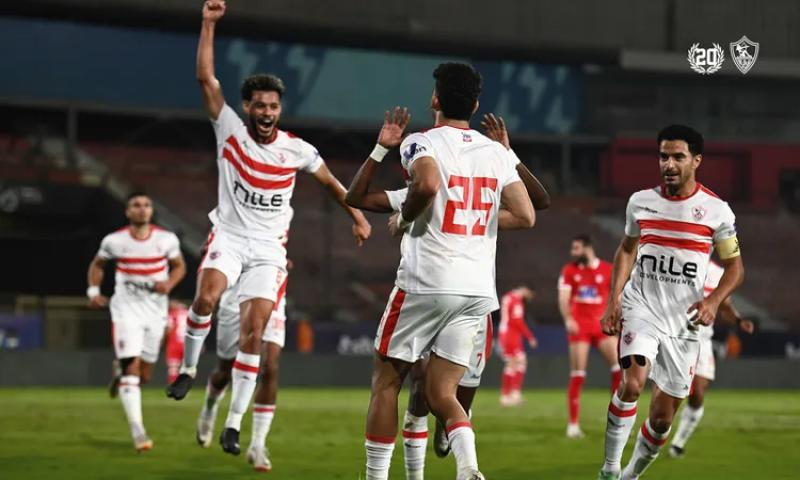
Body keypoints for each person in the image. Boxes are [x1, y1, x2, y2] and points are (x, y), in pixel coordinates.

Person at [166, 0, 371, 456]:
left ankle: (234, 425)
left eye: (273, 106)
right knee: (205, 298)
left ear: (280, 110)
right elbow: (206, 79)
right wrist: (208, 23)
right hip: (229, 237)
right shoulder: (230, 131)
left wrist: (357, 216)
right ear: (247, 107)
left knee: (256, 334)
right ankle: (187, 370)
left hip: (268, 250)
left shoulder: (297, 150)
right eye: (259, 105)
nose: (266, 112)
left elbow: (331, 183)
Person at [345, 62, 539, 480]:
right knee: (441, 392)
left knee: (387, 382)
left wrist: (405, 218)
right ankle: (468, 467)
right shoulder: (496, 152)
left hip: (427, 281)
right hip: (476, 291)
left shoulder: (422, 142)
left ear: (435, 99)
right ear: (475, 105)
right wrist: (475, 219)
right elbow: (526, 214)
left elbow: (428, 184)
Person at [596, 124, 744, 480]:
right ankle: (610, 469)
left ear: (696, 160)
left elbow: (735, 268)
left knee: (662, 420)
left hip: (684, 321)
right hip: (642, 307)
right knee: (632, 383)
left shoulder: (716, 211)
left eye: (678, 157)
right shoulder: (640, 202)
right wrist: (614, 299)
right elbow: (626, 249)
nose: (669, 164)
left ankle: (630, 475)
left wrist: (713, 301)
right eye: (663, 156)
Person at [87, 192, 186, 452]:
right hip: (126, 310)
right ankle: (138, 431)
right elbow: (97, 265)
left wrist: (169, 284)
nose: (142, 209)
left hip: (155, 312)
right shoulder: (114, 240)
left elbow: (179, 266)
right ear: (127, 211)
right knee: (132, 366)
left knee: (144, 374)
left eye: (146, 205)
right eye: (136, 205)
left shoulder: (166, 239)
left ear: (151, 211)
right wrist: (93, 292)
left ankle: (121, 373)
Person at [195, 263, 291, 474]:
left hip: (272, 293)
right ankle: (210, 406)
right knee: (225, 370)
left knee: (270, 367)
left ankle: (258, 444)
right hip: (236, 299)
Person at [668, 261, 754, 458]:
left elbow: (725, 305)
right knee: (672, 394)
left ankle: (678, 442)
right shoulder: (678, 262)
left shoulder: (717, 273)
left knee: (697, 392)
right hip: (673, 339)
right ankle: (653, 437)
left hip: (702, 341)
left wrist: (739, 321)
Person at [557, 234, 619, 437]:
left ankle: (618, 421)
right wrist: (568, 319)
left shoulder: (608, 269)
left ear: (587, 248)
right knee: (578, 374)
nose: (572, 252)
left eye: (576, 248)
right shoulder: (569, 270)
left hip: (601, 326)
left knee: (619, 369)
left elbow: (616, 297)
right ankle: (573, 425)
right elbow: (563, 298)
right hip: (579, 327)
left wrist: (616, 318)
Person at [498, 287, 538, 406]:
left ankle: (511, 395)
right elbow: (517, 321)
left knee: (516, 363)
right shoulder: (516, 301)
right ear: (527, 291)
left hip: (507, 333)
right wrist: (530, 337)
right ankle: (508, 395)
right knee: (515, 363)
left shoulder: (508, 297)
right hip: (511, 335)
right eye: (530, 296)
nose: (529, 299)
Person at [166, 301, 189, 384]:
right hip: (188, 344)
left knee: (173, 368)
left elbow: (169, 329)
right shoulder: (189, 313)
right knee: (188, 368)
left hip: (175, 344)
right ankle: (185, 386)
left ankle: (173, 386)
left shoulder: (173, 314)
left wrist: (164, 341)